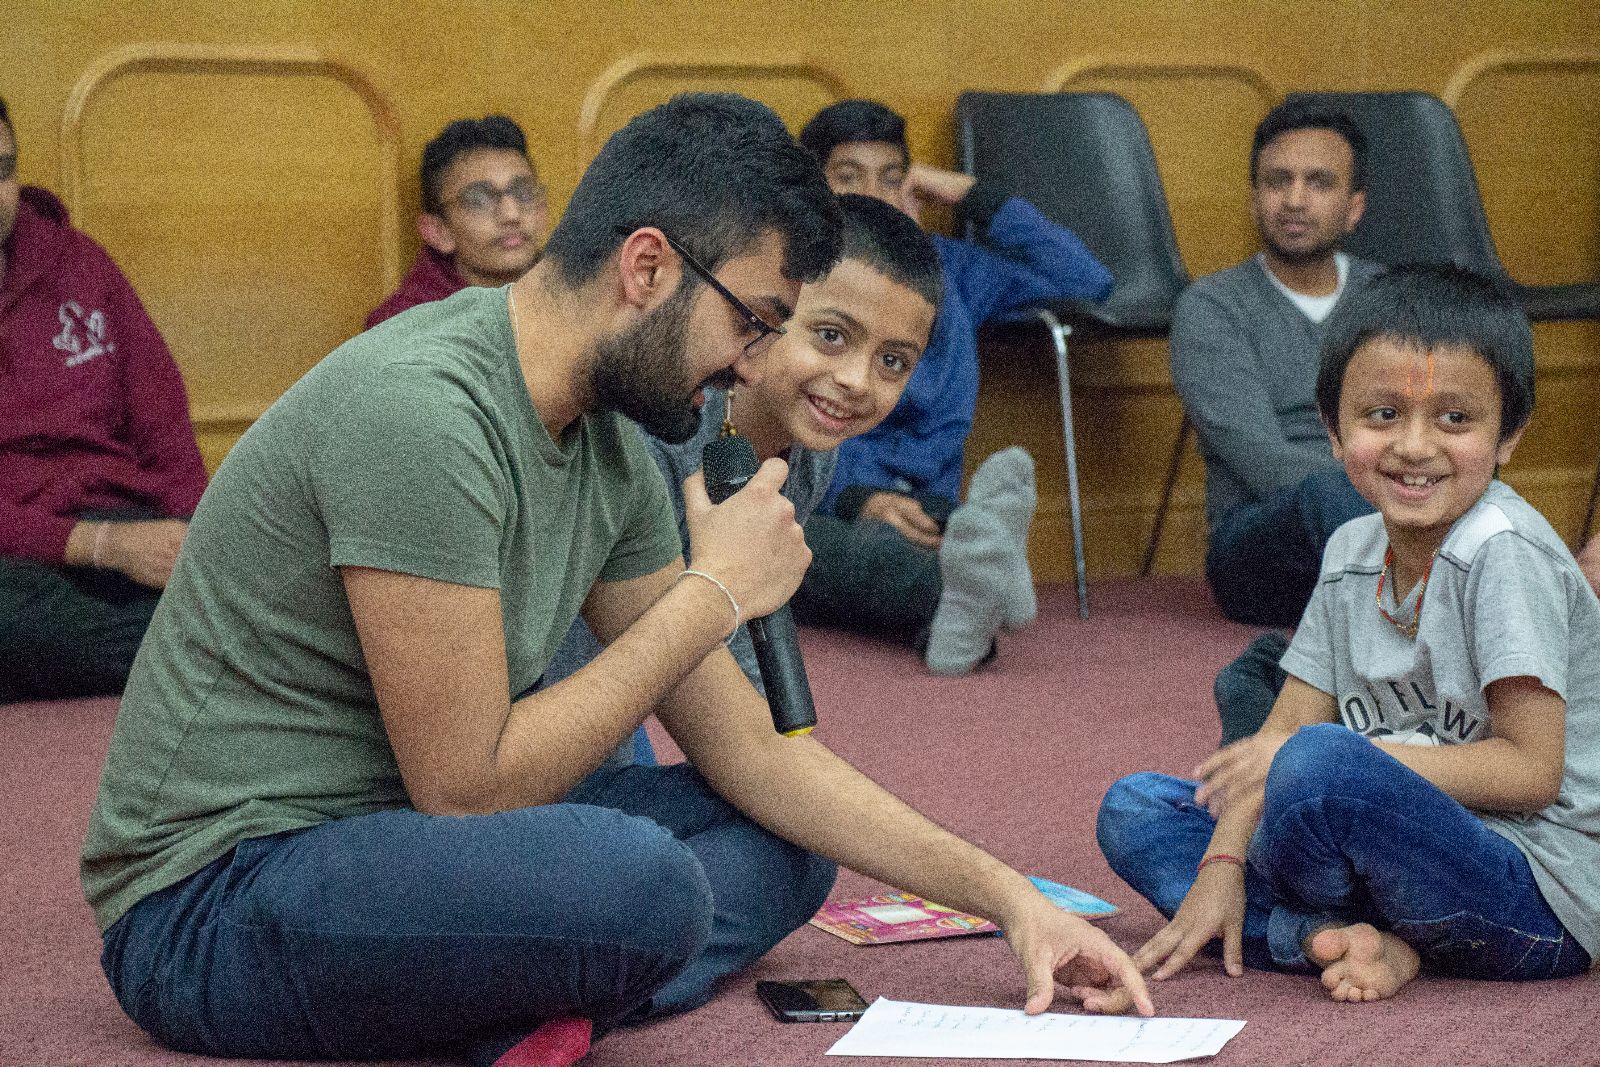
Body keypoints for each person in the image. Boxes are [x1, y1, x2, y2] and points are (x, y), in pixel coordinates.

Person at [82, 93, 1150, 1067]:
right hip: (213, 898)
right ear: (646, 268)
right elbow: (465, 789)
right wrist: (712, 594)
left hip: (402, 841)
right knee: (635, 882)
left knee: (788, 844)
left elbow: (745, 748)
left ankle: (537, 1009)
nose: (750, 365)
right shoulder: (423, 410)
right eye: (754, 321)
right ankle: (534, 987)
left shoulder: (611, 437)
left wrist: (1006, 896)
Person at [1098, 265, 1599, 1005]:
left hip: (1533, 893)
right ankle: (1345, 938)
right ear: (1333, 430)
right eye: (1383, 415)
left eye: (1455, 419)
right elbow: (1278, 739)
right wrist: (1221, 866)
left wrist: (1340, 760)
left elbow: (1532, 774)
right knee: (1136, 809)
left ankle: (1301, 927)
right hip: (1380, 848)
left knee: (1318, 765)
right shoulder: (1350, 551)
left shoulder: (1503, 551)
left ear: (1509, 436)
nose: (1415, 446)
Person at [545, 192, 943, 699]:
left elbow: (743, 621)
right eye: (831, 335)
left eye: (893, 362)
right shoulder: (660, 436)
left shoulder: (814, 444)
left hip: (644, 681)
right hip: (562, 691)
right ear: (770, 312)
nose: (857, 381)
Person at [790, 99, 1111, 674]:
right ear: (813, 190)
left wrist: (966, 193)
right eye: (847, 177)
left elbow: (1086, 278)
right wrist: (861, 498)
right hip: (824, 497)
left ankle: (968, 579)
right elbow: (775, 412)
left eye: (891, 178)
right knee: (828, 550)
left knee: (951, 532)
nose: (872, 195)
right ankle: (962, 602)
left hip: (932, 497)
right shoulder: (794, 274)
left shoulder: (952, 270)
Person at [0, 93, 208, 703]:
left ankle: (200, 636)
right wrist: (96, 546)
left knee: (277, 563)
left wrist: (194, 535)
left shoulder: (80, 264)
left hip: (128, 523)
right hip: (23, 552)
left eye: (4, 169)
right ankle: (205, 648)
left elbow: (163, 424)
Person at [1172, 99, 1382, 635]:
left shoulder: (1386, 300)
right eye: (1277, 181)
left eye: (1319, 183)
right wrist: (1398, 498)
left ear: (1354, 207)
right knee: (1326, 496)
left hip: (1388, 504)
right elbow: (1260, 459)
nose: (1294, 199)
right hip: (1259, 543)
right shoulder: (1212, 306)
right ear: (1254, 198)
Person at [366, 114, 547, 328]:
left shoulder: (580, 292)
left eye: (523, 192)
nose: (511, 214)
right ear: (438, 232)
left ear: (543, 210)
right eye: (479, 199)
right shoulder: (403, 326)